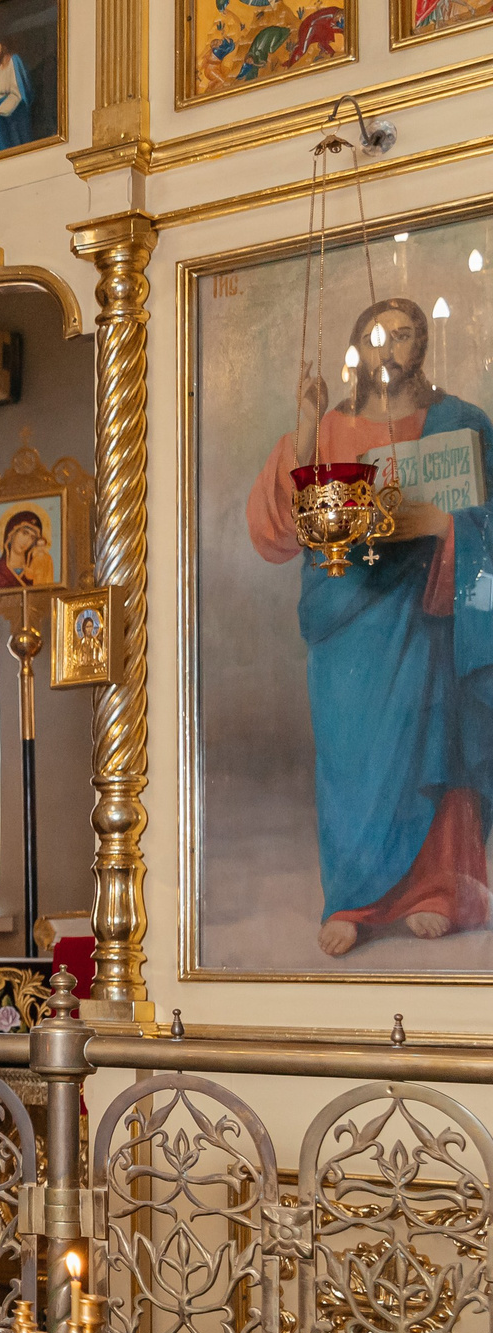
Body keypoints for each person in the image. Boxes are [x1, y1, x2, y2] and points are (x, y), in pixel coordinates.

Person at [246, 296, 493, 957]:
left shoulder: (461, 422)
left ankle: (435, 890)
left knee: (431, 742)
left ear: (422, 347)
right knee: (351, 753)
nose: (392, 348)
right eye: (378, 336)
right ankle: (353, 900)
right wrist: (304, 424)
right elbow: (280, 525)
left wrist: (452, 526)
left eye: (406, 335)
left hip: (429, 610)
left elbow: (488, 517)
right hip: (348, 617)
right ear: (360, 346)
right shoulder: (328, 429)